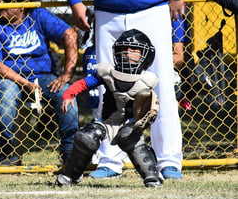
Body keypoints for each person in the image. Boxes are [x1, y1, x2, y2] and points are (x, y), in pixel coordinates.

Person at [63, 0, 205, 180]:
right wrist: (75, 0)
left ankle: (168, 160)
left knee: (162, 86)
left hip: (154, 9)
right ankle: (110, 159)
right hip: (107, 13)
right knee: (107, 86)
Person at [0, 0, 79, 165]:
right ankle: (5, 152)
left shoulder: (37, 15)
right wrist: (27, 84)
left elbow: (70, 34)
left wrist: (66, 75)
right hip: (7, 78)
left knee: (66, 93)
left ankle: (70, 153)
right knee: (6, 92)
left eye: (6, 0)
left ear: (22, 4)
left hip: (42, 77)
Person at [56, 29, 162, 187]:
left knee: (129, 135)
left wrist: (145, 118)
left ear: (145, 55)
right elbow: (84, 83)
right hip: (107, 121)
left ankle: (152, 175)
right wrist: (69, 94)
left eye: (134, 50)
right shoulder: (108, 73)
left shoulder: (147, 80)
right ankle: (71, 174)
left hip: (128, 123)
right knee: (87, 136)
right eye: (124, 49)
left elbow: (150, 109)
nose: (127, 53)